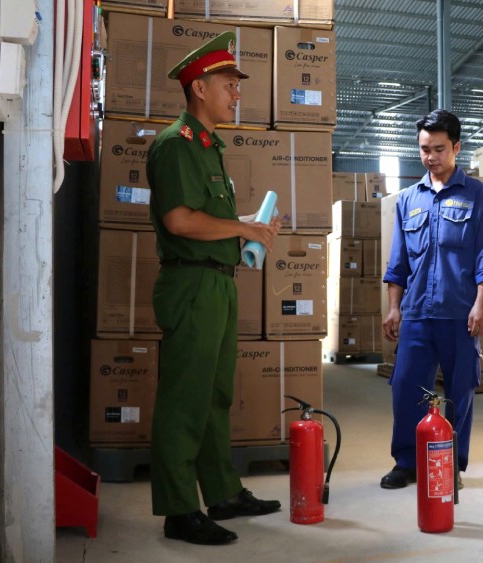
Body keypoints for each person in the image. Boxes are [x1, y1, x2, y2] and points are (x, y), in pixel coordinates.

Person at [147, 31, 282, 546]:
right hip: (192, 286)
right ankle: (179, 510)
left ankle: (222, 491)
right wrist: (243, 229)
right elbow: (180, 220)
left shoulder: (207, 148)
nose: (236, 93)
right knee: (185, 398)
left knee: (215, 396)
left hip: (218, 283)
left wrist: (248, 222)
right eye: (228, 84)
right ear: (199, 88)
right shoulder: (175, 146)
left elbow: (209, 218)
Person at [380, 109, 483, 490]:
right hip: (416, 310)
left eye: (439, 149)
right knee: (406, 386)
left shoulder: (477, 194)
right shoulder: (408, 200)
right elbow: (398, 261)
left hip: (459, 310)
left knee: (460, 389)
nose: (430, 157)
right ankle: (406, 461)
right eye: (424, 149)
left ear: (456, 148)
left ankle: (451, 464)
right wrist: (393, 306)